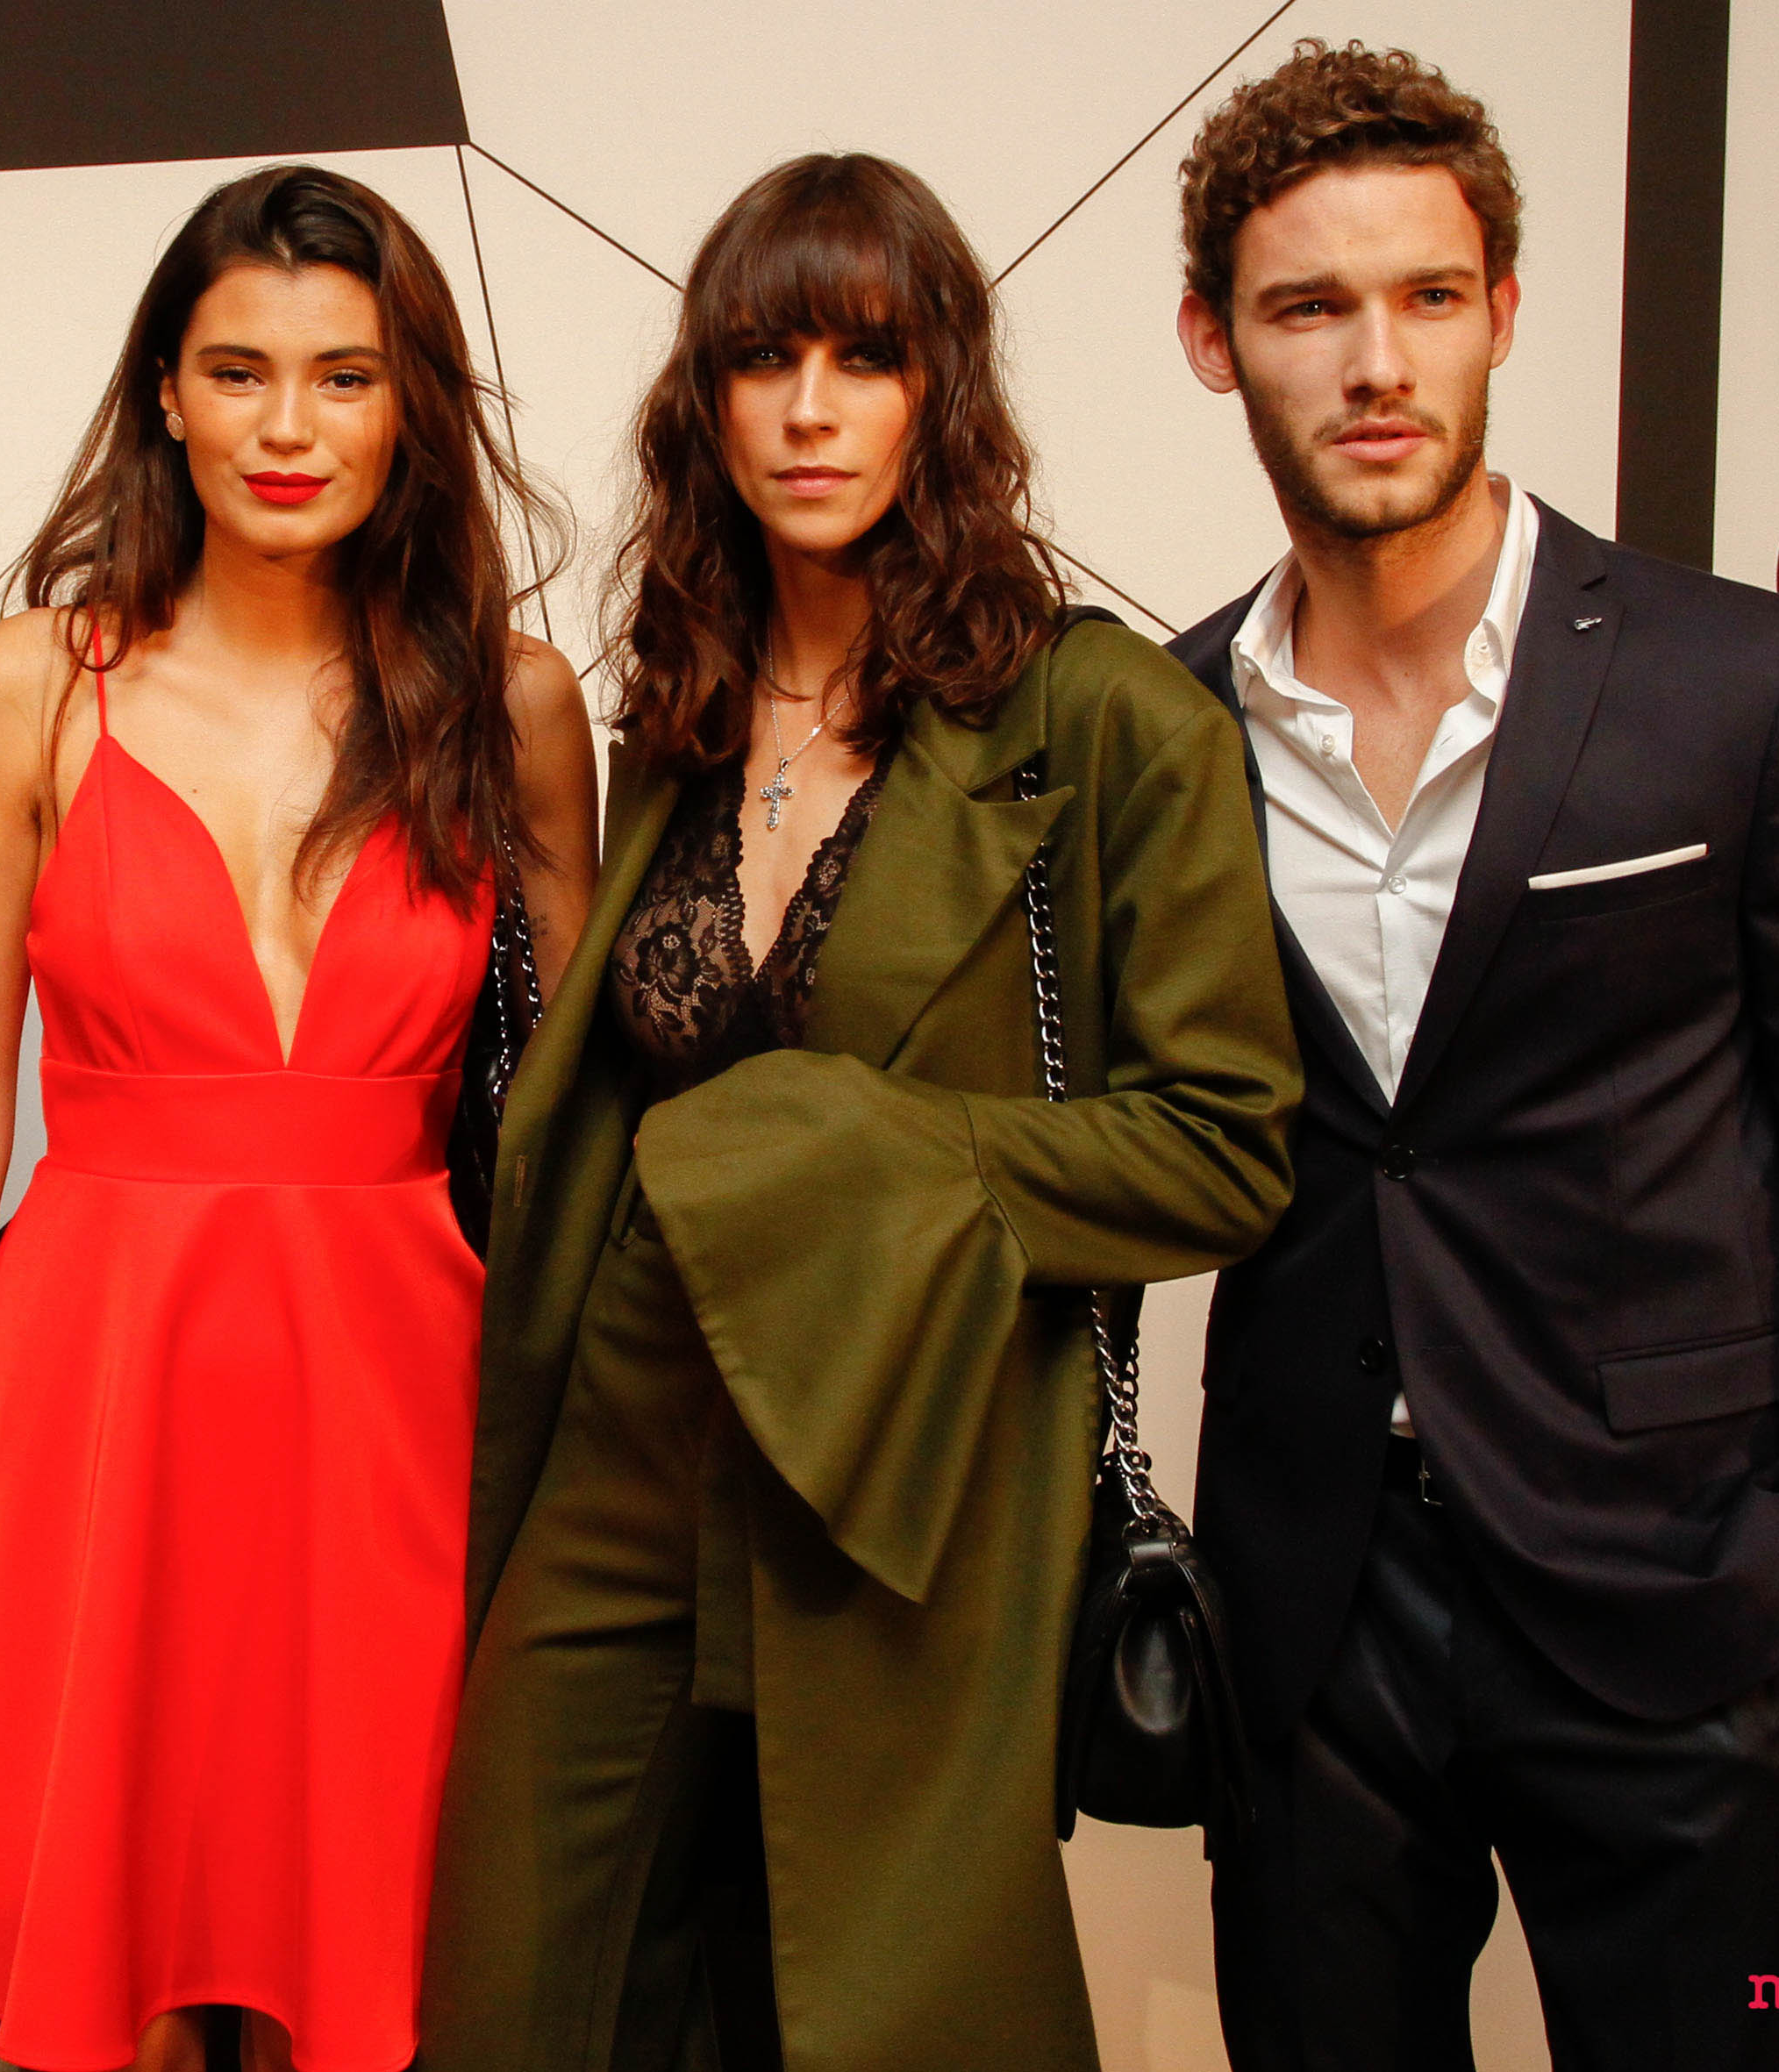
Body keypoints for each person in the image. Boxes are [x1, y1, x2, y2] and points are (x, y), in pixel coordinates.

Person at [1163, 42, 1779, 2071]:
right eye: (1307, 307)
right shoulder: (1155, 726)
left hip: (1676, 1595)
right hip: (1313, 1608)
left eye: (1427, 296)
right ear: (1211, 341)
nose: (1376, 362)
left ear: (1502, 311)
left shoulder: (1744, 683)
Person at [418, 154, 1301, 2072]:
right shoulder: (675, 709)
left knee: (876, 2015)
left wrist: (884, 1150)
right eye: (763, 359)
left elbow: (1227, 1139)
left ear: (941, 394)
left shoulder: (1099, 718)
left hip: (901, 1458)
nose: (809, 411)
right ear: (706, 402)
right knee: (511, 1990)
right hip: (627, 1431)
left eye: (866, 357)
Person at [0, 164, 597, 2072]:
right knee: (123, 1988)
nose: (286, 426)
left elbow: (580, 1111)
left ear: (409, 405)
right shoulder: (23, 686)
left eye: (344, 377)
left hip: (403, 1405)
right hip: (93, 1394)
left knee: (381, 1966)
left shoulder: (510, 704)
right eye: (238, 371)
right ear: (165, 395)